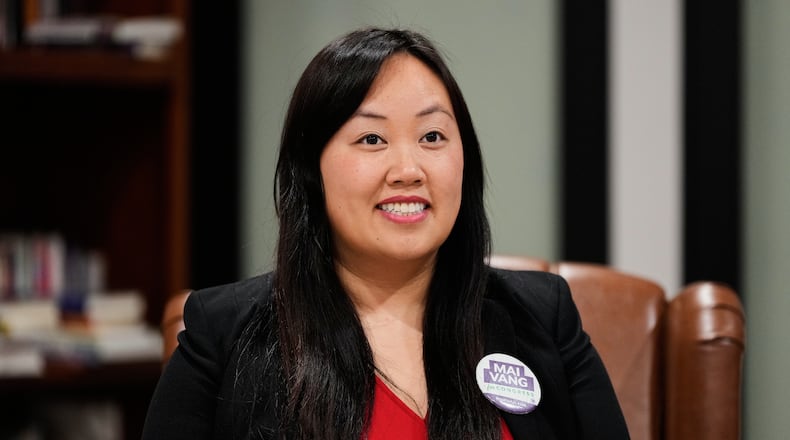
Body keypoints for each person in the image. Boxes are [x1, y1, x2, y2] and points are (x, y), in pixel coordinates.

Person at [142, 27, 629, 439]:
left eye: (432, 136)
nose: (408, 170)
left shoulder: (543, 319)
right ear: (311, 171)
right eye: (372, 139)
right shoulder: (223, 336)